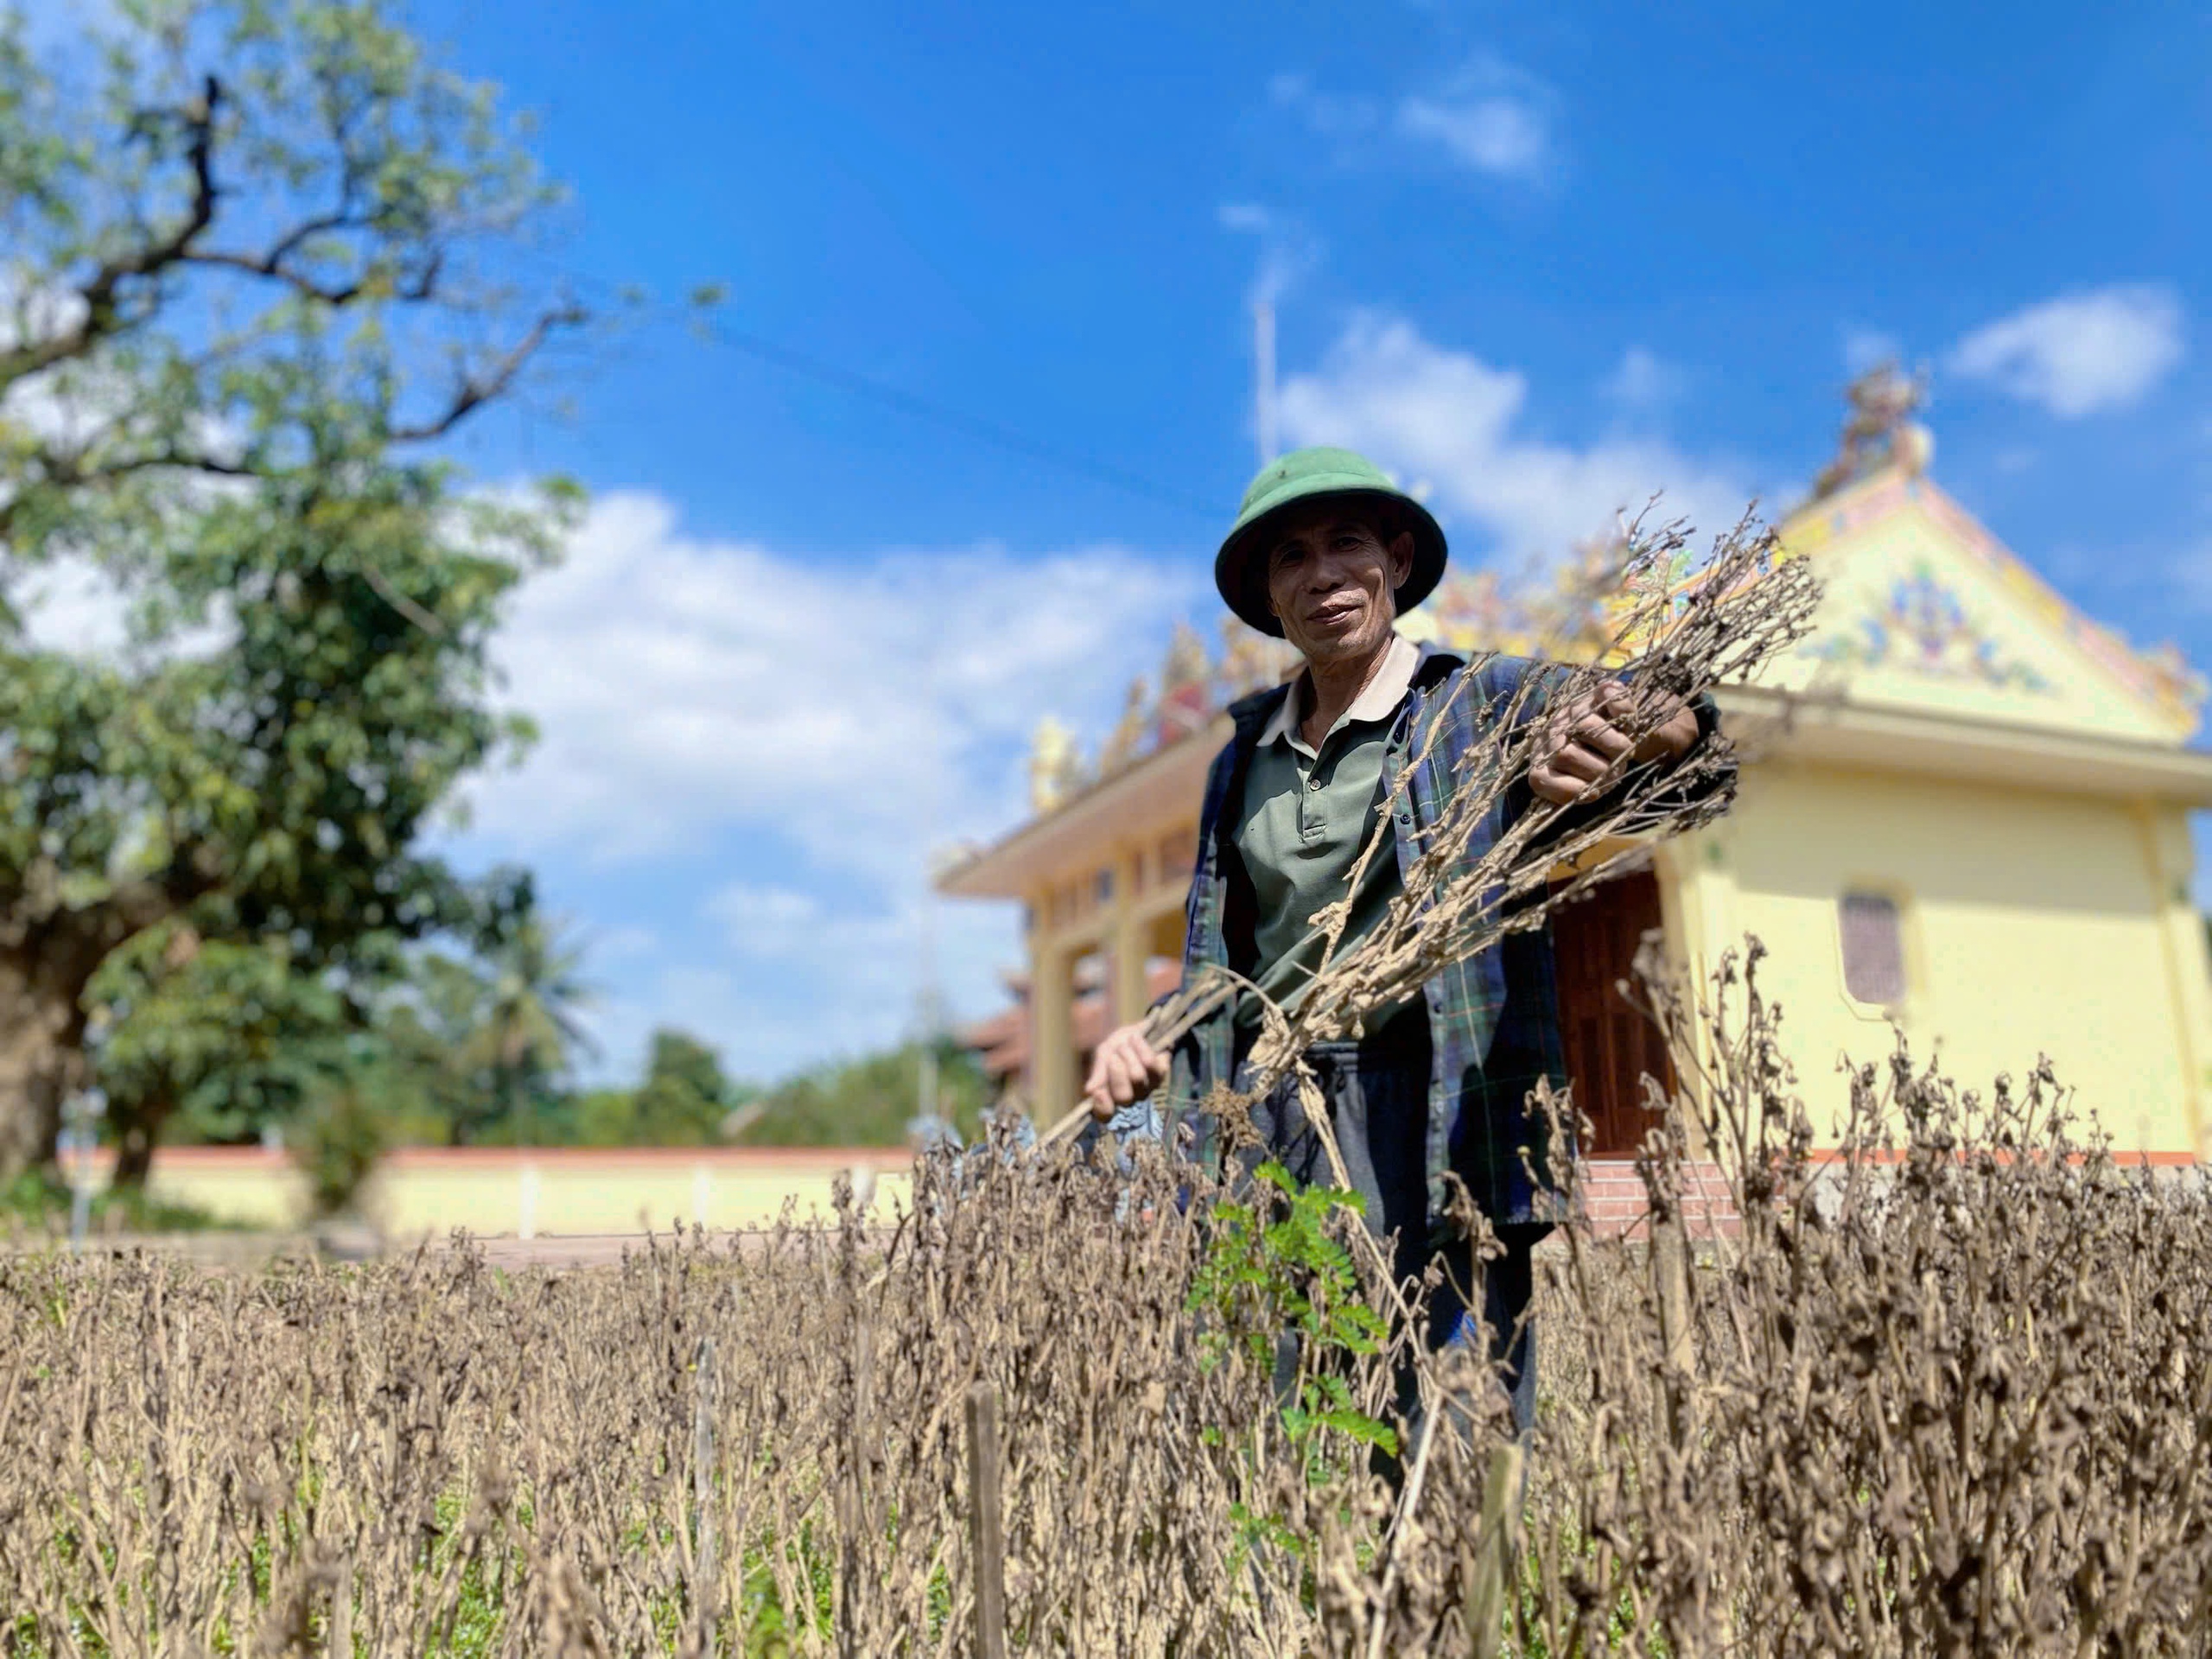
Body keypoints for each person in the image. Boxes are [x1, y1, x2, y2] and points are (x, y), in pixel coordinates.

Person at [1084, 446, 1727, 1440]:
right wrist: (1153, 1032)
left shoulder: (1475, 701)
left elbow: (1681, 734)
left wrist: (1632, 727)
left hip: (1439, 1093)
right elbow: (1233, 968)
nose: (1323, 575)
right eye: (1291, 557)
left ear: (1395, 560)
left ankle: (1448, 1541)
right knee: (1292, 1404)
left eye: (1347, 543)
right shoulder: (1241, 757)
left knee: (1453, 1413)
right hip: (1275, 1108)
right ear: (1268, 595)